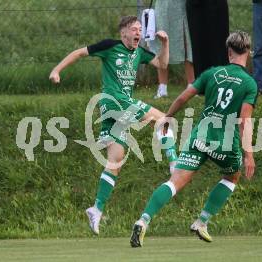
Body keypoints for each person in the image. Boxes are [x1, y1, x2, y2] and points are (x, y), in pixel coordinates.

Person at [49, 16, 178, 235]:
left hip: (114, 110)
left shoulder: (139, 53)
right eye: (134, 29)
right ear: (123, 33)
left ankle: (96, 209)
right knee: (163, 119)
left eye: (140, 29)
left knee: (116, 160)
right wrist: (56, 70)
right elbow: (79, 52)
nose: (138, 32)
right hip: (114, 102)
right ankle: (175, 163)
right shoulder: (110, 46)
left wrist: (165, 44)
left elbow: (162, 64)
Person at [130, 31, 258, 248]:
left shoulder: (212, 74)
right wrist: (249, 155)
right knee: (232, 177)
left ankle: (143, 220)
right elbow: (245, 122)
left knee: (175, 181)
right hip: (225, 141)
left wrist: (168, 118)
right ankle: (202, 221)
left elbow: (182, 97)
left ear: (228, 52)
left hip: (200, 135)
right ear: (247, 52)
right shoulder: (249, 84)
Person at [150, 0, 195, 98]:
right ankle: (162, 88)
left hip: (183, 5)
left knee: (186, 40)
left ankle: (191, 86)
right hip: (163, 6)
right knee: (161, 40)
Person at [186, 0, 229, 78]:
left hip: (217, 6)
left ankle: (220, 81)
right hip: (196, 8)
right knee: (199, 47)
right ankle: (201, 83)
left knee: (219, 47)